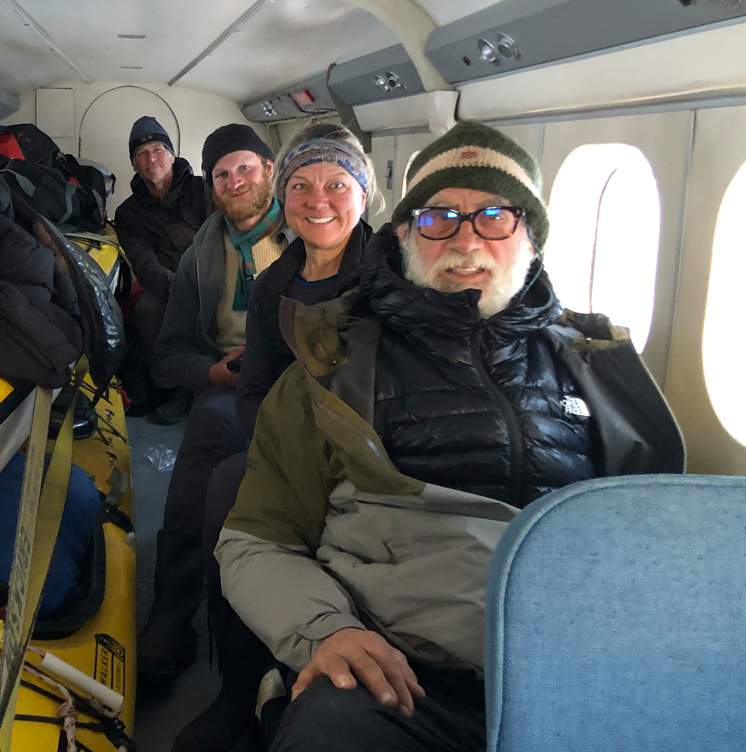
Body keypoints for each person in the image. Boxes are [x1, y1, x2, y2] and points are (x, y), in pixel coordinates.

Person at [215, 121, 686, 752]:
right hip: (404, 674)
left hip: (579, 665)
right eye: (440, 218)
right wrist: (324, 631)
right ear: (407, 234)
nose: (467, 241)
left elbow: (660, 540)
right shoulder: (332, 369)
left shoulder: (598, 370)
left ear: (531, 237)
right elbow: (256, 539)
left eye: (494, 215)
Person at [174, 122, 380, 752]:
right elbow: (256, 387)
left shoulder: (392, 279)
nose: (319, 199)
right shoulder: (272, 287)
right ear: (285, 194)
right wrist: (284, 451)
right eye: (303, 185)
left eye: (337, 183)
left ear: (364, 194)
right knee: (229, 487)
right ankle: (237, 686)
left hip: (372, 447)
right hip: (290, 442)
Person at [139, 123, 290, 692]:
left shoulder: (311, 232)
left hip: (305, 385)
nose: (234, 182)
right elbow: (170, 351)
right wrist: (210, 373)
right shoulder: (200, 257)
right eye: (222, 174)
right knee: (208, 428)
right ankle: (172, 614)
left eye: (245, 168)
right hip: (231, 385)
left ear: (269, 170)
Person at [114, 116, 212, 423]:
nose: (151, 158)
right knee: (147, 310)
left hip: (211, 275)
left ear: (171, 155)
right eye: (141, 154)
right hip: (166, 283)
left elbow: (221, 240)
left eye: (158, 149)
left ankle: (212, 378)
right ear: (134, 165)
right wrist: (177, 290)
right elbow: (143, 262)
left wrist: (205, 286)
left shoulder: (203, 190)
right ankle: (171, 385)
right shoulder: (127, 212)